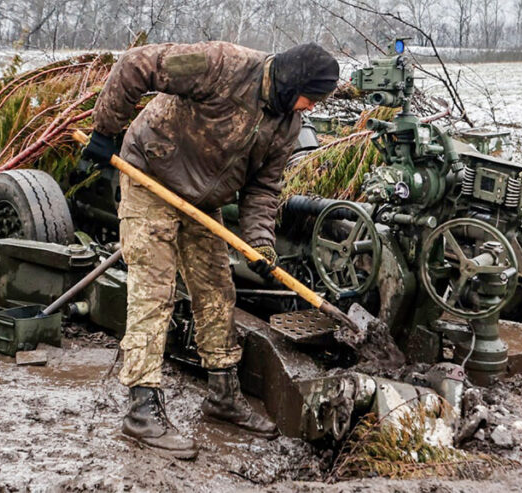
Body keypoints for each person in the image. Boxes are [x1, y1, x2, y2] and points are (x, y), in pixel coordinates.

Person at [82, 41, 339, 459]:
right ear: (295, 82)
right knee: (154, 292)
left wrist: (259, 242)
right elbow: (137, 64)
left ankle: (223, 395)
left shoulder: (286, 124)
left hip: (202, 202)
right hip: (150, 174)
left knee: (218, 292)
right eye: (312, 97)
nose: (310, 108)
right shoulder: (221, 64)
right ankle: (142, 410)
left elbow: (263, 188)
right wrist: (105, 132)